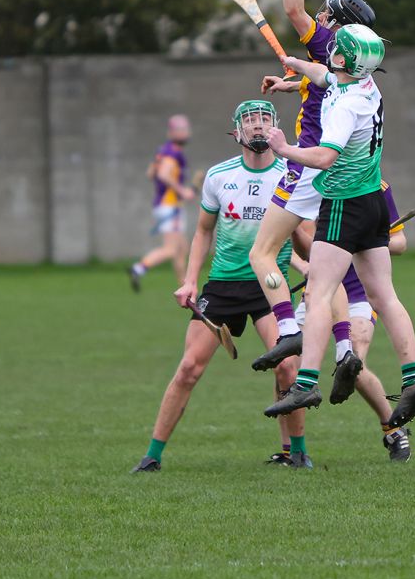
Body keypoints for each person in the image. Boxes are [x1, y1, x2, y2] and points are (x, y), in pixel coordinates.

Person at [261, 26, 415, 428]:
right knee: (385, 296)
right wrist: (295, 68)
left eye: (336, 49)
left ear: (342, 59)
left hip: (343, 204)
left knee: (319, 294)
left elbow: (323, 156)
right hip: (374, 201)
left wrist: (284, 148)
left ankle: (305, 382)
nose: (331, 49)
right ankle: (413, 377)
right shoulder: (364, 83)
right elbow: (323, 77)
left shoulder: (344, 107)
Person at [132, 101, 311, 472]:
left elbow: (301, 234)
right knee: (188, 369)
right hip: (224, 286)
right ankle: (152, 456)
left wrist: (314, 269)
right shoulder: (219, 176)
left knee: (288, 369)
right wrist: (189, 281)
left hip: (269, 289)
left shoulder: (292, 174)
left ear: (276, 127)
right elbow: (202, 232)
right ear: (237, 132)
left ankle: (296, 453)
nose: (258, 127)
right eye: (251, 121)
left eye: (265, 120)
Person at [246, 0, 373, 363]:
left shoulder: (332, 41)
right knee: (316, 262)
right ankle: (343, 348)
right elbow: (322, 83)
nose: (319, 18)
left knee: (261, 253)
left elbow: (294, 9)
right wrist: (290, 82)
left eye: (327, 14)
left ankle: (287, 327)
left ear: (338, 26)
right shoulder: (357, 62)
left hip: (307, 165)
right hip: (342, 176)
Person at [288, 181, 414, 461]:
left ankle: (393, 429)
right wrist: (305, 252)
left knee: (352, 363)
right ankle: (292, 450)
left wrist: (362, 242)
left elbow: (401, 243)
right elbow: (304, 249)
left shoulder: (377, 187)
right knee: (287, 367)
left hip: (358, 294)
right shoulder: (314, 183)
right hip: (321, 295)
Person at [129, 115, 197, 290]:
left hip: (165, 205)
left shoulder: (164, 151)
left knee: (182, 248)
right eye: (180, 129)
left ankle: (184, 285)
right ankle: (139, 268)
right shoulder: (173, 153)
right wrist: (183, 191)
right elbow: (162, 175)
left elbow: (150, 173)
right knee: (171, 249)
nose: (185, 133)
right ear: (172, 132)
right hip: (170, 206)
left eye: (185, 129)